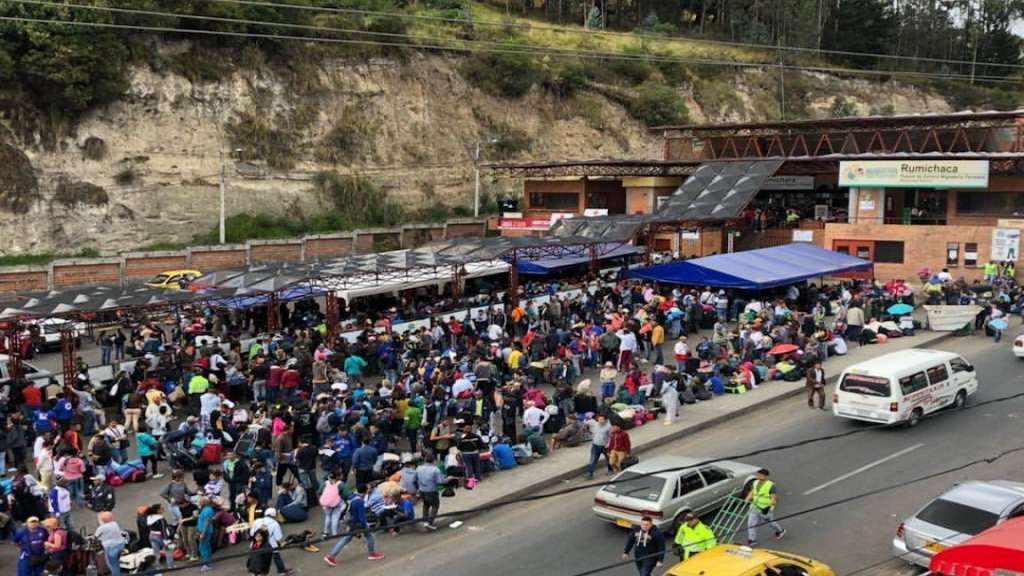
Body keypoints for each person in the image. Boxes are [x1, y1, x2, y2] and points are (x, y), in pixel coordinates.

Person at [322, 484, 385, 565]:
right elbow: (361, 516)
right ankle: (372, 554)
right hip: (358, 523)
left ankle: (331, 556)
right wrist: (364, 526)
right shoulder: (359, 502)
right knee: (368, 537)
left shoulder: (353, 497)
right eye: (368, 489)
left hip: (352, 521)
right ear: (365, 491)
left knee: (346, 539)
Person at [249, 508, 295, 576]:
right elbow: (278, 537)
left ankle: (254, 574)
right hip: (269, 545)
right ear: (273, 516)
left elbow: (251, 533)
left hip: (255, 545)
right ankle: (281, 571)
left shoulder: (257, 521)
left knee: (256, 560)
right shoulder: (274, 523)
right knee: (275, 557)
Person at [745, 468, 786, 546]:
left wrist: (771, 506)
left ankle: (780, 530)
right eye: (758, 474)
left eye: (760, 475)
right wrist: (747, 498)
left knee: (770, 522)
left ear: (766, 477)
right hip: (754, 506)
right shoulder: (755, 482)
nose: (758, 476)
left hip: (765, 509)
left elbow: (773, 498)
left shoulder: (771, 485)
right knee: (750, 524)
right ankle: (752, 540)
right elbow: (753, 492)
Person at [415, 453, 445, 530]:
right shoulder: (435, 469)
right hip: (431, 491)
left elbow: (415, 479)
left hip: (422, 490)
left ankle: (425, 521)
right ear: (433, 460)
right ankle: (430, 522)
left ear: (425, 460)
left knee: (426, 505)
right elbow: (440, 482)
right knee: (435, 506)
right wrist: (448, 479)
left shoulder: (419, 468)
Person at [94, 511, 126, 576]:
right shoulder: (115, 523)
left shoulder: (101, 528)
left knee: (112, 564)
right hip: (120, 544)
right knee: (116, 561)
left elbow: (95, 536)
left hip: (111, 547)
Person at [145, 503, 174, 574]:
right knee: (168, 550)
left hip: (151, 535)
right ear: (158, 511)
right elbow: (163, 529)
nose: (163, 509)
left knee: (156, 552)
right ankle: (170, 566)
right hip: (160, 536)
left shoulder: (149, 517)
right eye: (161, 508)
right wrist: (167, 540)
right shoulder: (161, 519)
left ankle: (157, 567)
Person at [319, 471, 346, 538]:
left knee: (328, 516)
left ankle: (325, 532)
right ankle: (334, 533)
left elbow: (319, 492)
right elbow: (345, 494)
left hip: (326, 503)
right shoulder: (341, 484)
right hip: (336, 503)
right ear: (337, 477)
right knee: (335, 517)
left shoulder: (325, 483)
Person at [584, 414, 612, 479]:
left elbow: (611, 437)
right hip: (595, 445)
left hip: (605, 446)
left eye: (602, 419)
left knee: (608, 459)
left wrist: (608, 445)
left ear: (605, 420)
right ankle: (590, 473)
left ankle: (610, 470)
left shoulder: (608, 427)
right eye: (599, 419)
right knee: (593, 459)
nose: (600, 421)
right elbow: (588, 424)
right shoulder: (595, 424)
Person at [196, 496, 216, 571]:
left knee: (203, 547)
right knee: (206, 546)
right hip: (204, 531)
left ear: (205, 502)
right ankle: (208, 562)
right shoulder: (205, 509)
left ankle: (206, 564)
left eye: (200, 501)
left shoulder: (207, 510)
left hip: (205, 531)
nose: (199, 502)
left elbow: (207, 522)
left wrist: (203, 533)